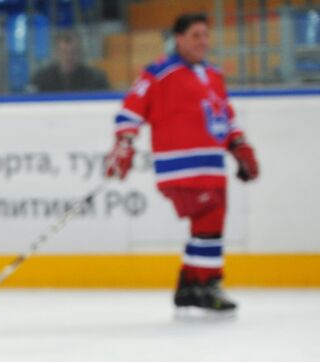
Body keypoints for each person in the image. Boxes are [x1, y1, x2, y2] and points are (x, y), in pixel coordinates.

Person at [105, 12, 260, 318]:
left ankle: (190, 286)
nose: (202, 41)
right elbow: (130, 110)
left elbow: (224, 116)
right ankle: (204, 286)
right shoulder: (158, 72)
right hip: (181, 166)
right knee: (210, 219)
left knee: (208, 224)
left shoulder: (214, 74)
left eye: (205, 35)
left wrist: (239, 146)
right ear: (179, 39)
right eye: (195, 36)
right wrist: (124, 143)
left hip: (212, 165)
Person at [30, 31, 110, 93]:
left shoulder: (96, 79)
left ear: (80, 52)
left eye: (73, 52)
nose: (69, 57)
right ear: (56, 53)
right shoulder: (41, 79)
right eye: (64, 52)